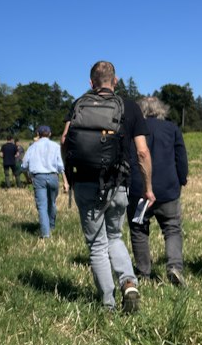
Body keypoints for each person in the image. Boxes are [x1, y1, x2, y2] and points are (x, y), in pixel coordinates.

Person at [61, 61, 155, 313]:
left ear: (91, 83)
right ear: (115, 81)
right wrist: (148, 187)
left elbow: (64, 140)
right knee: (114, 237)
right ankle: (129, 283)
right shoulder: (130, 108)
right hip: (119, 184)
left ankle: (108, 304)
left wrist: (68, 174)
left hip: (86, 183)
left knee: (97, 245)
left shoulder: (79, 104)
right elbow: (143, 152)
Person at [127, 97, 188, 286]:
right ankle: (175, 267)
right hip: (168, 188)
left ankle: (143, 272)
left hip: (138, 189)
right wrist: (182, 179)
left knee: (139, 229)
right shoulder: (171, 129)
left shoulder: (131, 129)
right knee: (172, 228)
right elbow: (181, 157)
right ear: (162, 110)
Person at [21, 125, 68, 238]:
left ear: (38, 133)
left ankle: (45, 233)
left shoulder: (33, 146)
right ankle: (51, 226)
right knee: (52, 203)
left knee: (42, 206)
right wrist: (65, 182)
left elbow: (24, 165)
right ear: (50, 134)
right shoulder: (55, 146)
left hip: (38, 177)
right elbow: (61, 166)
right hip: (53, 177)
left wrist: (27, 177)